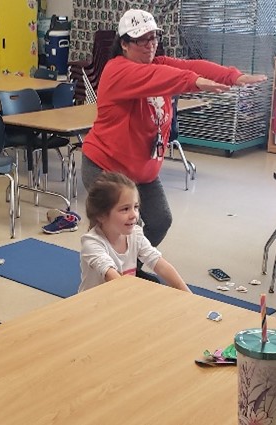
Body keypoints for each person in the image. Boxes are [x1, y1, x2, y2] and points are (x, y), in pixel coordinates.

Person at [81, 9, 267, 252]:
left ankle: (132, 268)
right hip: (106, 166)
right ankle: (109, 275)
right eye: (141, 39)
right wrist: (194, 82)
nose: (150, 45)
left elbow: (192, 65)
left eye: (153, 38)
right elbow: (164, 76)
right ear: (124, 44)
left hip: (142, 171)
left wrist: (234, 76)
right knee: (115, 228)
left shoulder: (156, 62)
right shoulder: (117, 70)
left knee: (159, 221)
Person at [79, 172, 192, 293]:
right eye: (125, 209)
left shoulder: (135, 235)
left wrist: (188, 294)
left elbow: (160, 264)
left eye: (136, 207)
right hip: (95, 305)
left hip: (120, 297)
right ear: (101, 215)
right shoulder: (92, 243)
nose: (134, 215)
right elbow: (110, 274)